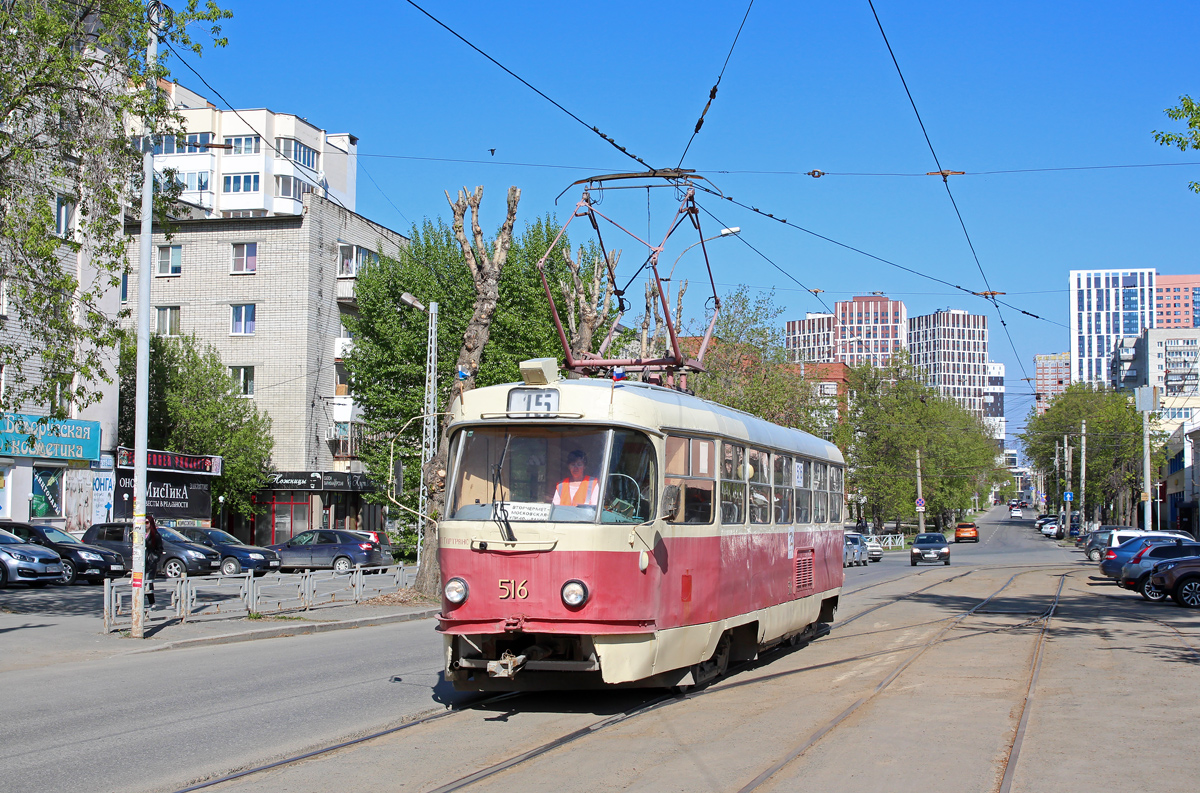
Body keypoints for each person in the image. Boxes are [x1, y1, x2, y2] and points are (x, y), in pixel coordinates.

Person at [145, 514, 163, 607]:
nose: (145, 524)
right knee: (140, 582)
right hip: (142, 561)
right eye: (143, 523)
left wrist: (154, 558)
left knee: (148, 581)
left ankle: (151, 602)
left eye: (147, 522)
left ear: (150, 523)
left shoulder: (155, 535)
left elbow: (159, 549)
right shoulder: (140, 533)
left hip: (151, 562)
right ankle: (140, 601)